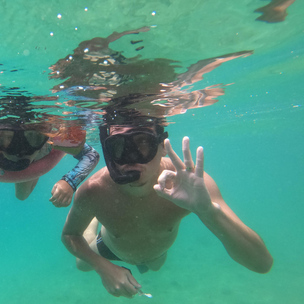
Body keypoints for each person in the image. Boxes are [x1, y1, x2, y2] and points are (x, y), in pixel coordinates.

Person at [61, 118, 273, 298]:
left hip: (157, 252)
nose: (132, 162)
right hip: (110, 246)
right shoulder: (94, 191)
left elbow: (262, 264)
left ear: (162, 146)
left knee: (154, 266)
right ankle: (92, 221)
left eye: (143, 145)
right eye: (118, 147)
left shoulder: (188, 184)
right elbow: (70, 235)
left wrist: (208, 211)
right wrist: (103, 267)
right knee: (82, 263)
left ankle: (100, 222)